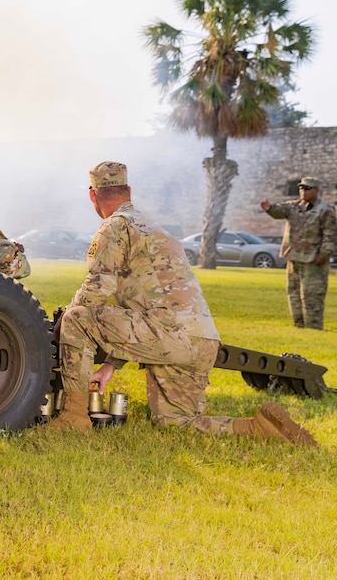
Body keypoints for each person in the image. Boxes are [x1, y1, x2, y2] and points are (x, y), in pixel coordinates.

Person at [51, 161, 316, 445]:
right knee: (177, 423)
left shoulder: (115, 226)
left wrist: (63, 322)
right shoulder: (154, 226)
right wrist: (111, 365)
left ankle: (73, 419)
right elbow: (146, 305)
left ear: (93, 195)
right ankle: (258, 428)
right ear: (128, 190)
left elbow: (96, 291)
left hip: (168, 336)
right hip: (202, 342)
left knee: (78, 316)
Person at [260, 176, 337, 330]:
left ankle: (313, 327)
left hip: (313, 259)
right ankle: (298, 325)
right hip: (294, 256)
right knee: (293, 293)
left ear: (316, 190)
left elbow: (330, 234)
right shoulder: (294, 206)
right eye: (301, 188)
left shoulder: (325, 210)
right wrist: (268, 208)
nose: (303, 191)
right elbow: (278, 211)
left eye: (307, 188)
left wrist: (325, 254)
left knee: (312, 295)